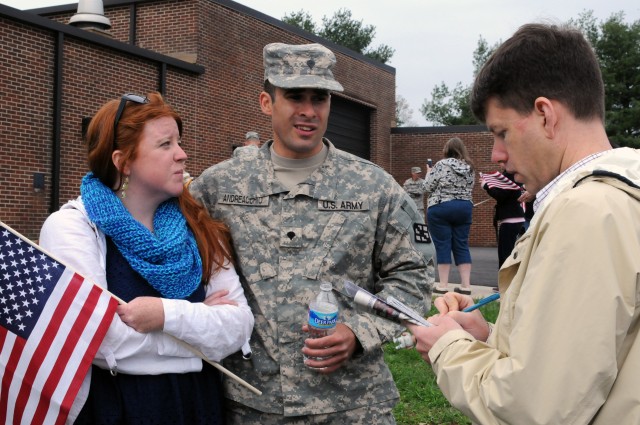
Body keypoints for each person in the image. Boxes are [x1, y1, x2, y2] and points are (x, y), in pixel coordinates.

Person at [189, 42, 435, 424]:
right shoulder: (219, 187)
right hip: (253, 402)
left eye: (319, 98)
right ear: (266, 102)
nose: (308, 111)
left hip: (352, 403)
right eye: (294, 97)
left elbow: (415, 276)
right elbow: (170, 248)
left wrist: (359, 331)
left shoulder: (374, 187)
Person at [408, 23, 640, 425]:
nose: (496, 154)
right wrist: (487, 338)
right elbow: (592, 358)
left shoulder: (586, 213)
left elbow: (537, 408)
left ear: (545, 115)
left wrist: (448, 346)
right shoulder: (620, 194)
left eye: (500, 133)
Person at [39, 92, 254, 424]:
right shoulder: (73, 227)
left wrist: (164, 314)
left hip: (197, 406)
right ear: (123, 161)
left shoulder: (199, 226)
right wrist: (201, 335)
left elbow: (238, 327)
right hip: (118, 409)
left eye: (179, 143)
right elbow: (100, 341)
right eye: (165, 144)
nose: (182, 155)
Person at [422, 137, 474, 295]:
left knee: (443, 244)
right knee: (462, 244)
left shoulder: (441, 165)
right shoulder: (470, 167)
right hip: (464, 207)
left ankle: (443, 285)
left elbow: (427, 187)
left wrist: (429, 173)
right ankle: (466, 286)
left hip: (441, 207)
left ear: (447, 150)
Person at [480, 164, 525, 267]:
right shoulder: (516, 175)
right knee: (511, 253)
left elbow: (501, 195)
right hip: (515, 218)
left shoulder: (509, 176)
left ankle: (506, 280)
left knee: (505, 255)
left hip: (510, 220)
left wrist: (486, 186)